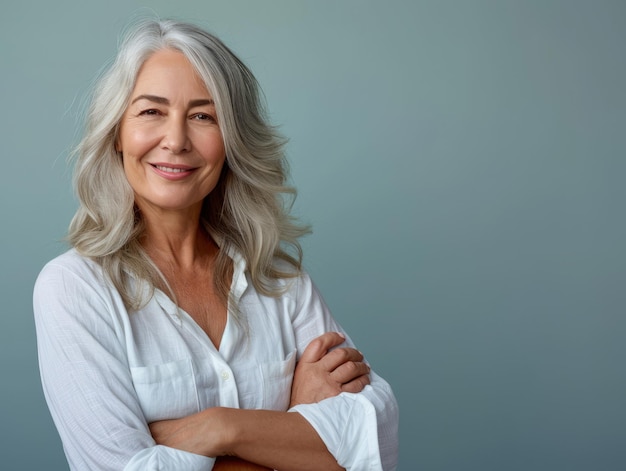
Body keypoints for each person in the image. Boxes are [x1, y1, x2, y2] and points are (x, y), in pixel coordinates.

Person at [33, 18, 398, 471]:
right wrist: (291, 428)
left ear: (231, 142)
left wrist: (221, 428)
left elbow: (374, 439)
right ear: (116, 134)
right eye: (151, 112)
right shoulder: (73, 289)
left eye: (203, 116)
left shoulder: (280, 280)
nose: (176, 140)